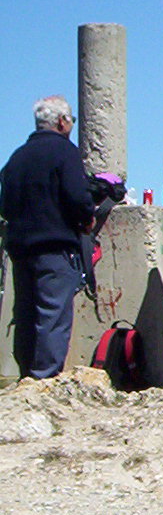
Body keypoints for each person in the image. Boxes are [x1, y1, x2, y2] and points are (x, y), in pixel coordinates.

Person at [1, 96, 94, 378]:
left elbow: (5, 205)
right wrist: (86, 218)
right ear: (62, 122)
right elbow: (77, 196)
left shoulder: (17, 157)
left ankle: (26, 376)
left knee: (26, 314)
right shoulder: (65, 152)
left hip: (20, 248)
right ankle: (45, 377)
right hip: (55, 248)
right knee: (53, 315)